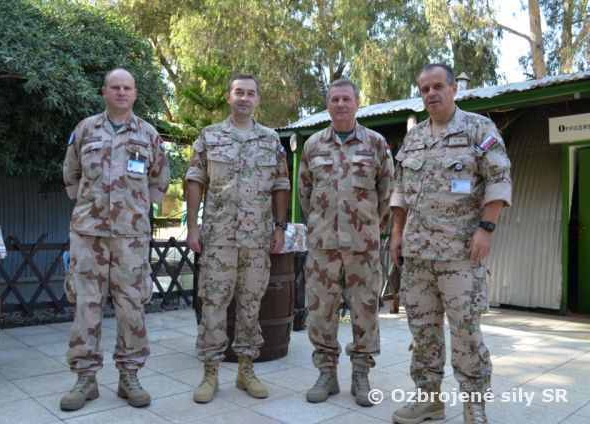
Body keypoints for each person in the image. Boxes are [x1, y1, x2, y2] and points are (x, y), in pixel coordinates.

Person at [389, 64, 512, 424]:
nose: (431, 94)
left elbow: (499, 180)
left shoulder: (478, 128)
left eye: (438, 86)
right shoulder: (414, 137)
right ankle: (429, 400)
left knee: (466, 332)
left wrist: (486, 228)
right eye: (424, 89)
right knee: (423, 332)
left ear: (454, 88)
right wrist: (396, 233)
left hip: (461, 253)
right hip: (418, 255)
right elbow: (400, 189)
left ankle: (474, 405)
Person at [61, 68, 170, 411]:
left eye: (127, 88)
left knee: (132, 306)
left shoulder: (149, 134)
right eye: (115, 87)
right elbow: (70, 175)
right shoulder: (85, 129)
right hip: (88, 235)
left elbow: (160, 179)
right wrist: (89, 207)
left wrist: (137, 209)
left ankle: (129, 376)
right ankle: (85, 378)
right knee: (86, 306)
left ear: (135, 93)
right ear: (104, 91)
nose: (122, 92)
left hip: (131, 238)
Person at [185, 73, 290, 403]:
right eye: (239, 92)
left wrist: (279, 227)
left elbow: (281, 185)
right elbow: (195, 180)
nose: (245, 98)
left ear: (258, 99)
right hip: (218, 239)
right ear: (228, 97)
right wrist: (192, 227)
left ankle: (246, 370)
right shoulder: (210, 136)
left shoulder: (270, 139)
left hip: (257, 239)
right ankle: (210, 373)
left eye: (251, 93)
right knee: (213, 305)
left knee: (251, 305)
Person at [297, 79, 394, 407]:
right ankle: (326, 373)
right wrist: (321, 223)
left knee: (365, 311)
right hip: (323, 246)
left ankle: (361, 375)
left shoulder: (376, 143)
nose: (340, 104)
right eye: (335, 99)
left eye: (346, 99)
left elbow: (387, 190)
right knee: (320, 312)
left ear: (357, 103)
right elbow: (305, 192)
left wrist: (370, 225)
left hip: (362, 247)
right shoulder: (313, 145)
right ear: (328, 104)